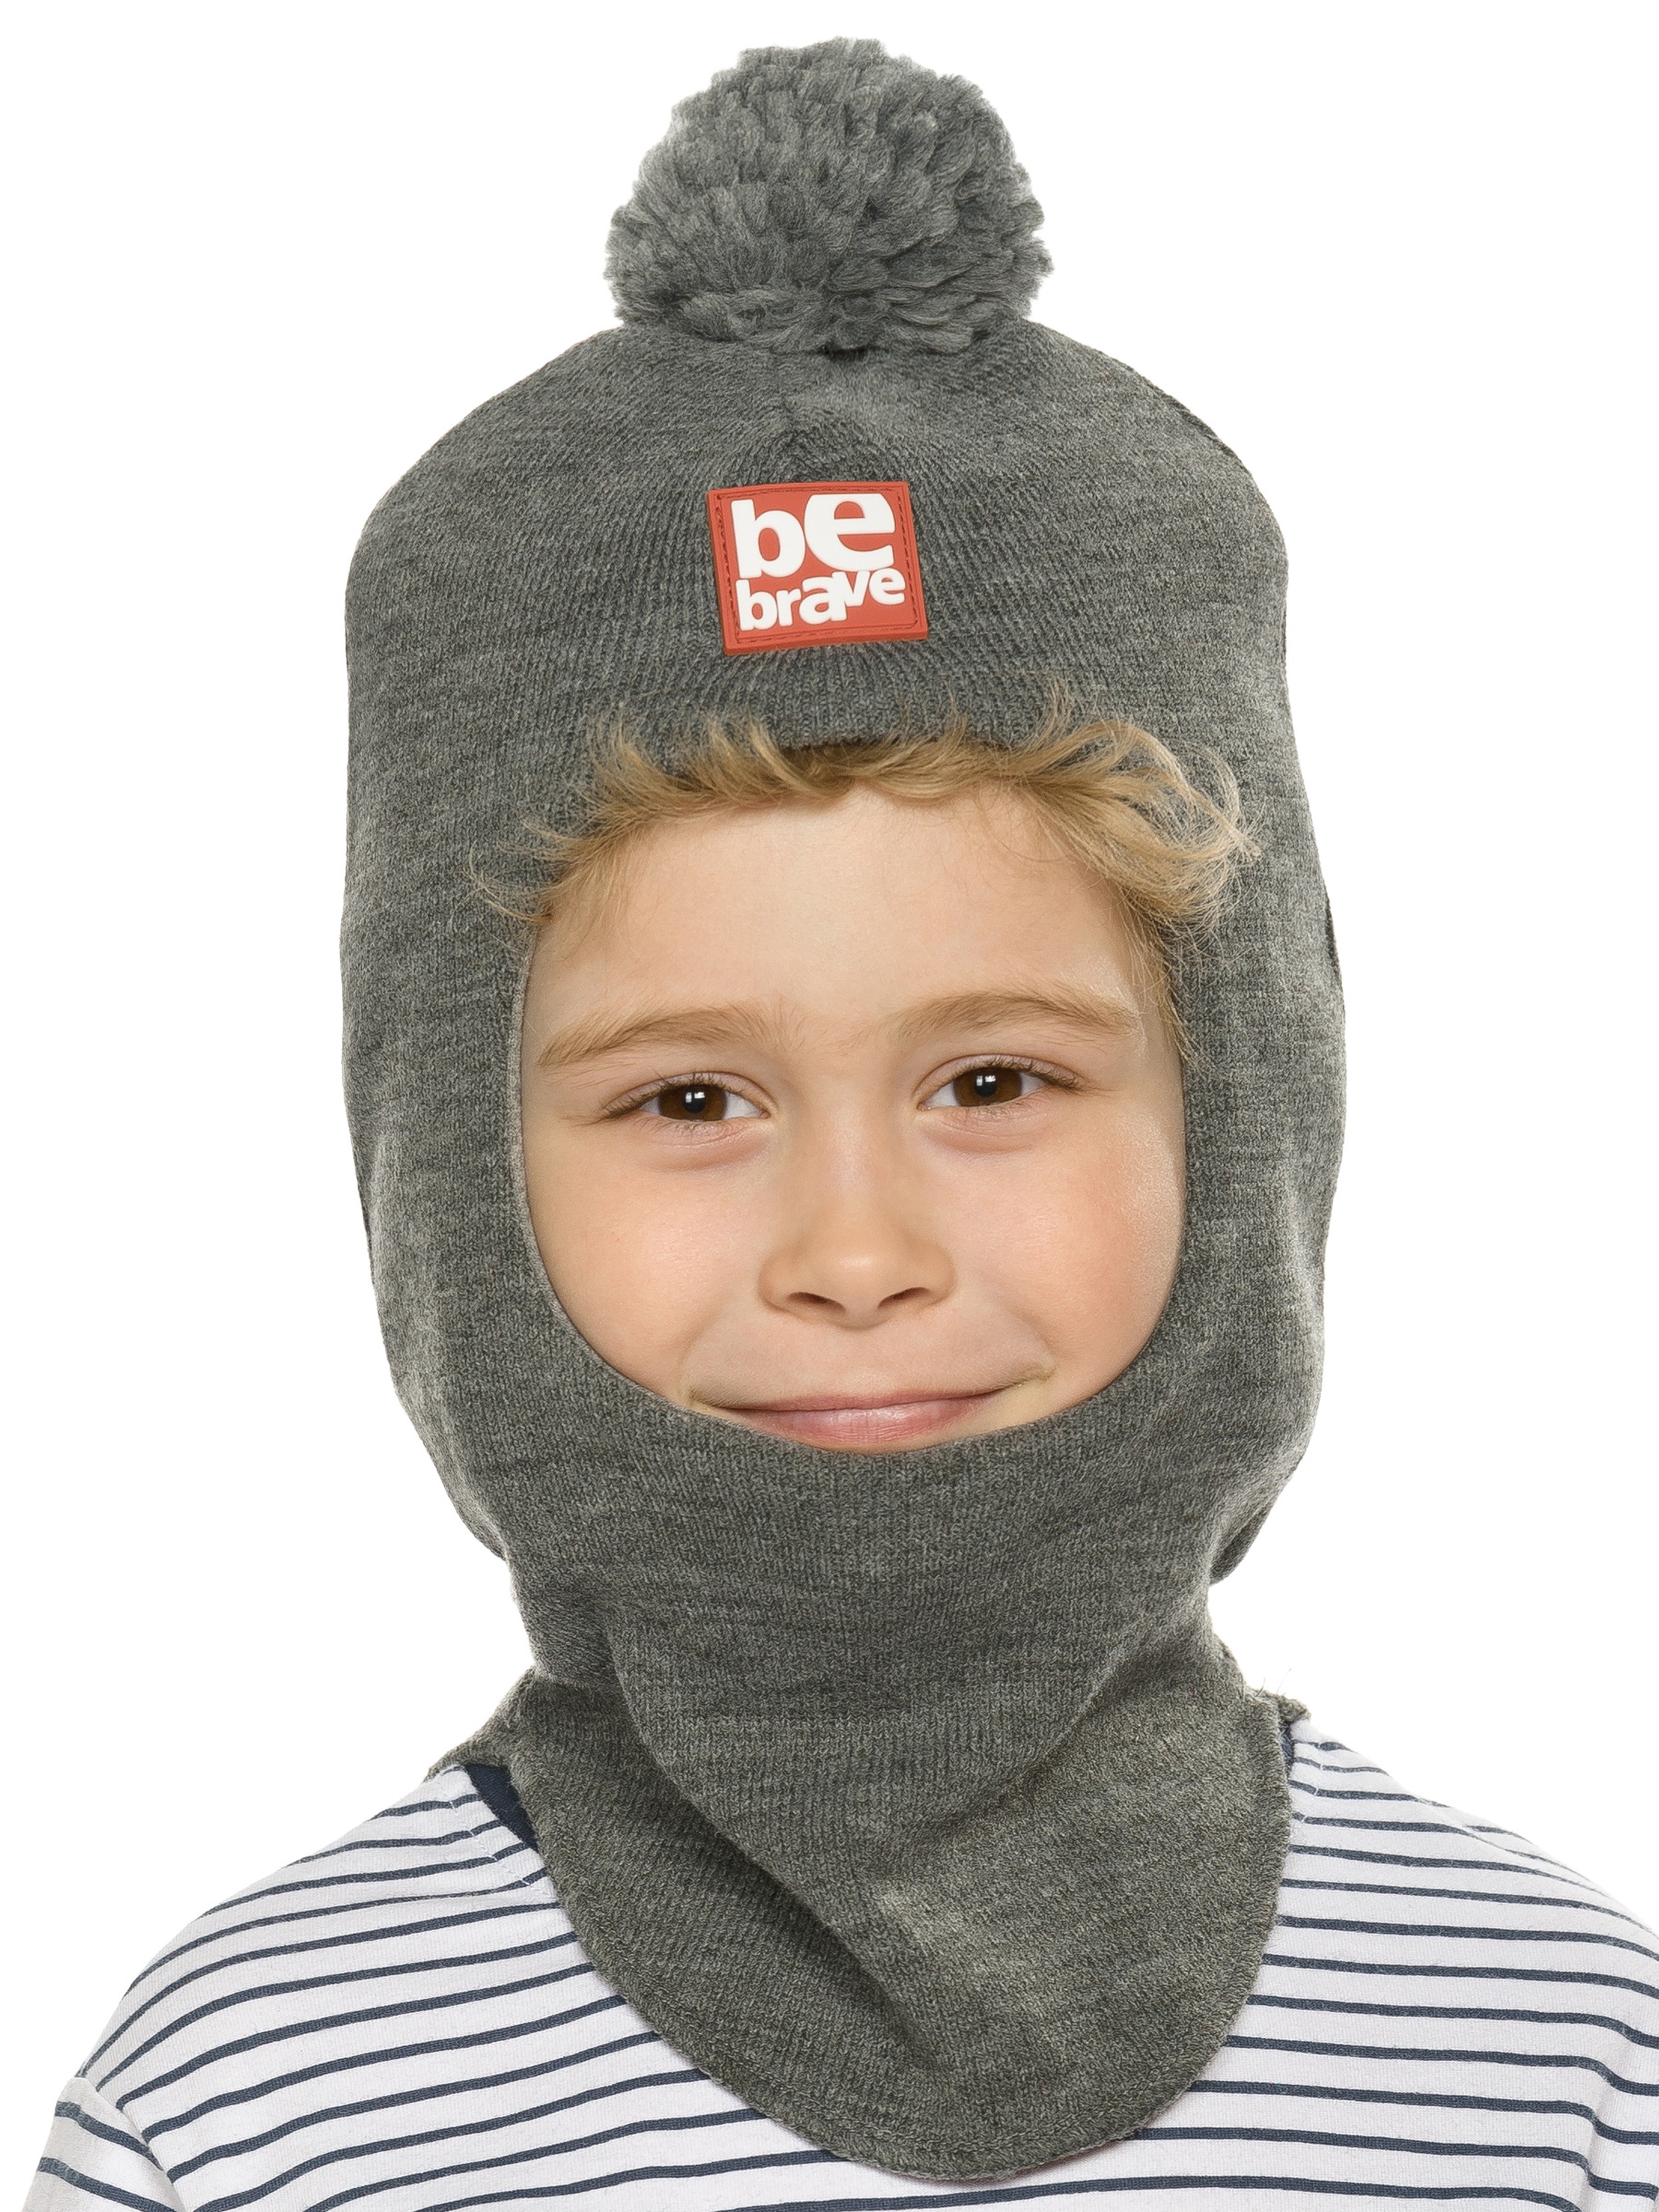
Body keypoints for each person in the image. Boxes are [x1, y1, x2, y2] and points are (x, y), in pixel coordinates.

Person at [29, 37, 1658, 2212]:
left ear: (1256, 1109)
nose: (858, 1248)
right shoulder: (262, 2102)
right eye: (690, 1096)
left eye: (995, 1080)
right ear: (447, 1176)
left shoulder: (1557, 2063)